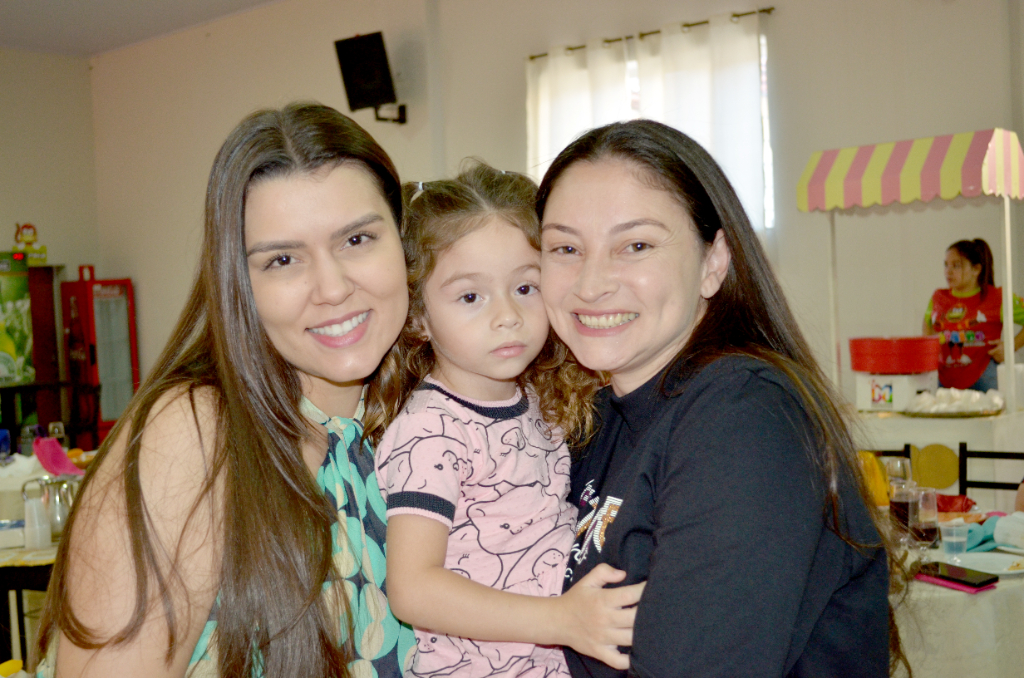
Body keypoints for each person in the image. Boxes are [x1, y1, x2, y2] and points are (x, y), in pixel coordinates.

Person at [34, 103, 415, 677]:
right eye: (283, 259)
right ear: (239, 282)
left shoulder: (415, 414)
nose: (333, 287)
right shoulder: (195, 430)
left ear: (403, 243)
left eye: (357, 239)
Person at [536, 120, 899, 677]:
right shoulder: (603, 418)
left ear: (714, 261)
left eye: (635, 245)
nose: (590, 283)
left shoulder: (743, 417)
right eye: (565, 247)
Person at [374, 163, 644, 678]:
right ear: (417, 317)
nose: (507, 316)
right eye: (470, 297)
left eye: (525, 288)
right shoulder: (431, 430)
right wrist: (559, 620)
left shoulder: (538, 400)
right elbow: (413, 589)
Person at [923, 238, 1024, 391]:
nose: (948, 271)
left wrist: (1010, 347)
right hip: (943, 381)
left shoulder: (997, 297)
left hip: (984, 378)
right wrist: (931, 352)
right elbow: (927, 323)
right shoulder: (938, 296)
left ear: (976, 269)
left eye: (956, 266)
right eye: (946, 265)